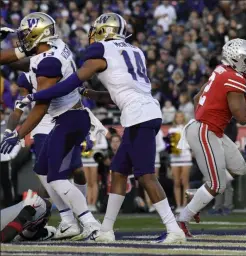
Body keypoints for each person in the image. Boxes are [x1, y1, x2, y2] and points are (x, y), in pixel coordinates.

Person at [19, 13, 186, 244]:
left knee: (146, 176)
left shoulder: (101, 50)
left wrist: (39, 94)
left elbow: (74, 80)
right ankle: (106, 230)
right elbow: (119, 94)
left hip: (140, 116)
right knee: (118, 171)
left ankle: (173, 228)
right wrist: (89, 94)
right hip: (142, 112)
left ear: (102, 31)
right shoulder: (135, 50)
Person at [0, 13, 100, 239]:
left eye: (26, 34)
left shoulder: (48, 62)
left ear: (39, 34)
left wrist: (18, 135)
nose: (22, 39)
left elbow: (41, 106)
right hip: (67, 117)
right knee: (42, 170)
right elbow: (15, 59)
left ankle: (90, 223)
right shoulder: (50, 48)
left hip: (68, 118)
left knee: (56, 177)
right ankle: (70, 221)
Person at [176, 38, 246, 236]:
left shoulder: (220, 70)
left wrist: (205, 116)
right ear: (235, 59)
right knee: (217, 185)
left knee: (240, 168)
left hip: (210, 129)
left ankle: (199, 195)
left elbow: (196, 98)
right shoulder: (235, 77)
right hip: (206, 130)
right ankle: (182, 219)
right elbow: (243, 117)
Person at [6, 72, 88, 239]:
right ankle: (71, 219)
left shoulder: (57, 68)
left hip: (66, 122)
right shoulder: (27, 78)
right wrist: (10, 131)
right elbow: (18, 109)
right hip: (43, 127)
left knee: (76, 171)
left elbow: (76, 97)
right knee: (47, 174)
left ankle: (81, 217)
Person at [168, 112, 192, 213]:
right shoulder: (171, 130)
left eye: (181, 116)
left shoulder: (187, 128)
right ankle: (178, 205)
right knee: (176, 182)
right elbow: (169, 145)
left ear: (184, 117)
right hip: (175, 158)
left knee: (185, 182)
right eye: (177, 117)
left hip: (186, 157)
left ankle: (185, 205)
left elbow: (191, 142)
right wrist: (171, 148)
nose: (179, 118)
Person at [82, 131, 108, 213]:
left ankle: (93, 204)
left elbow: (105, 145)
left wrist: (92, 145)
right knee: (87, 182)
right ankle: (89, 203)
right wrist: (83, 146)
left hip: (94, 159)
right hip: (84, 159)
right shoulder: (82, 130)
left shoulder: (98, 131)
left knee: (94, 182)